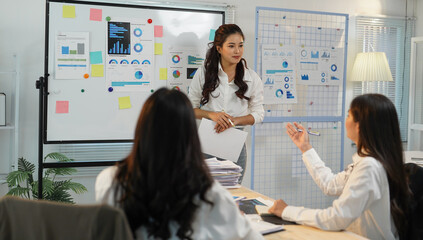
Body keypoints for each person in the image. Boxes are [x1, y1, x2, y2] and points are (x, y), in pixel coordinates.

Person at [95, 88, 263, 240]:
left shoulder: (110, 181)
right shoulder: (209, 193)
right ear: (189, 136)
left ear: (143, 130)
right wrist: (234, 217)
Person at [269, 94, 411, 240]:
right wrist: (305, 147)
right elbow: (330, 184)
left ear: (359, 125)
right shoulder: (369, 161)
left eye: (348, 115)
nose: (345, 120)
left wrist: (287, 211)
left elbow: (337, 218)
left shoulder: (369, 167)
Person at [188, 24, 264, 183]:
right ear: (219, 48)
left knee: (234, 194)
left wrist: (235, 121)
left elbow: (258, 114)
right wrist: (211, 115)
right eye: (231, 46)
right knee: (203, 193)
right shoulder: (204, 73)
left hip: (234, 146)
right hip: (206, 144)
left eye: (241, 45)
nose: (237, 51)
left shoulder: (252, 77)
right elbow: (190, 108)